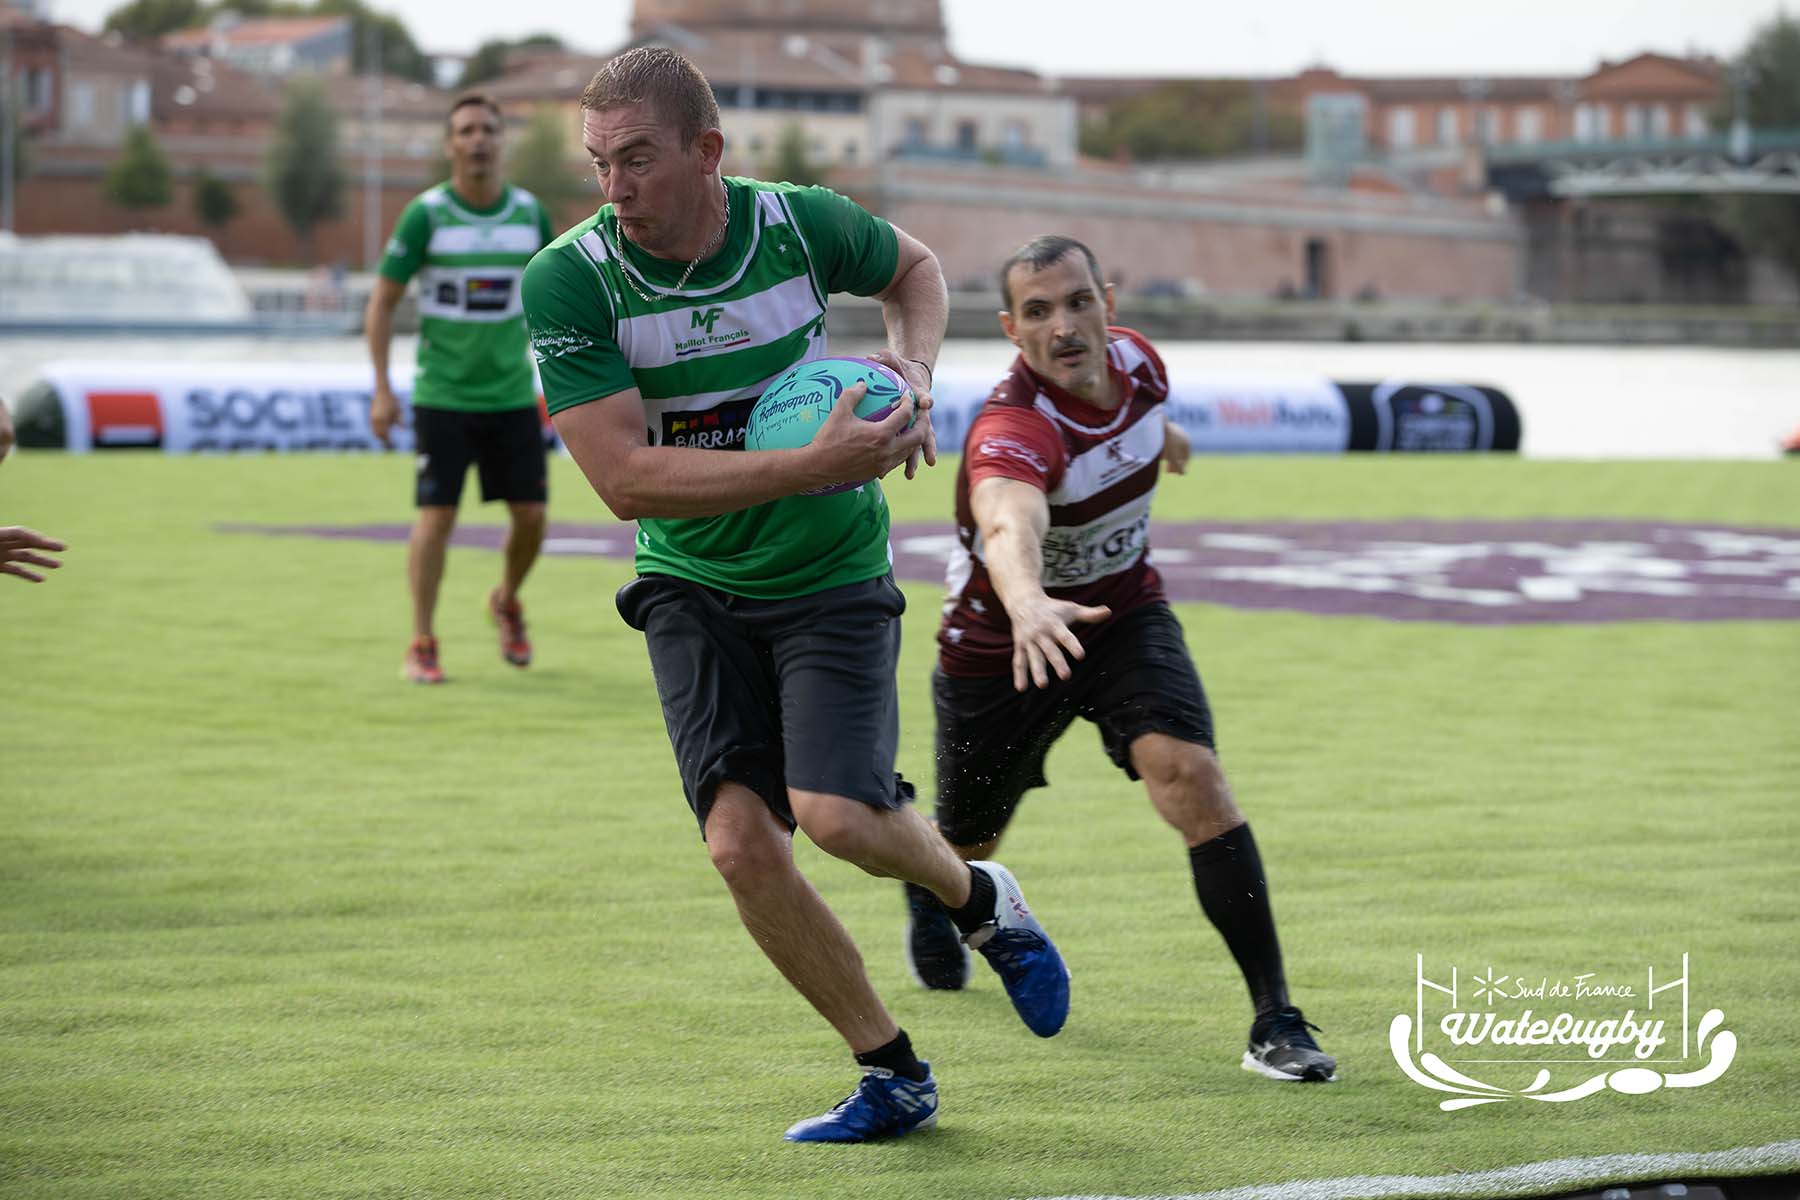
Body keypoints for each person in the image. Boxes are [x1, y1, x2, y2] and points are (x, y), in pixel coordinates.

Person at [520, 47, 1070, 1143]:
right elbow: (626, 482)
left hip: (831, 575)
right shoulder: (572, 279)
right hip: (692, 580)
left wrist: (914, 372)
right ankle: (892, 1070)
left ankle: (979, 899)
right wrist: (808, 465)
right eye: (598, 164)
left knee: (837, 819)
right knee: (739, 846)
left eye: (637, 159)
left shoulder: (798, 224)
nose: (614, 188)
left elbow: (916, 272)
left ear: (707, 152)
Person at [903, 235, 1338, 1084]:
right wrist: (1027, 602)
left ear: (1109, 301)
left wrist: (1165, 435)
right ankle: (932, 888)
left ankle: (1273, 1020)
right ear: (1010, 328)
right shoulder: (1013, 427)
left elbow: (1132, 421)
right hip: (1007, 645)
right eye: (1038, 312)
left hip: (1124, 615)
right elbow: (1006, 519)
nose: (1063, 327)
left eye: (1077, 303)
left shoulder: (1140, 363)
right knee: (967, 840)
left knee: (1195, 780)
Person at [365, 91, 556, 684]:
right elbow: (382, 303)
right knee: (435, 520)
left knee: (531, 516)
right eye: (466, 130)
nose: (478, 140)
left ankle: (506, 599)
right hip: (442, 396)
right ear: (450, 144)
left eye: (487, 130)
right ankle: (422, 640)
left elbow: (556, 300)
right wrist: (381, 388)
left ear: (502, 142)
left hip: (511, 396)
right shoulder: (426, 214)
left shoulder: (528, 215)